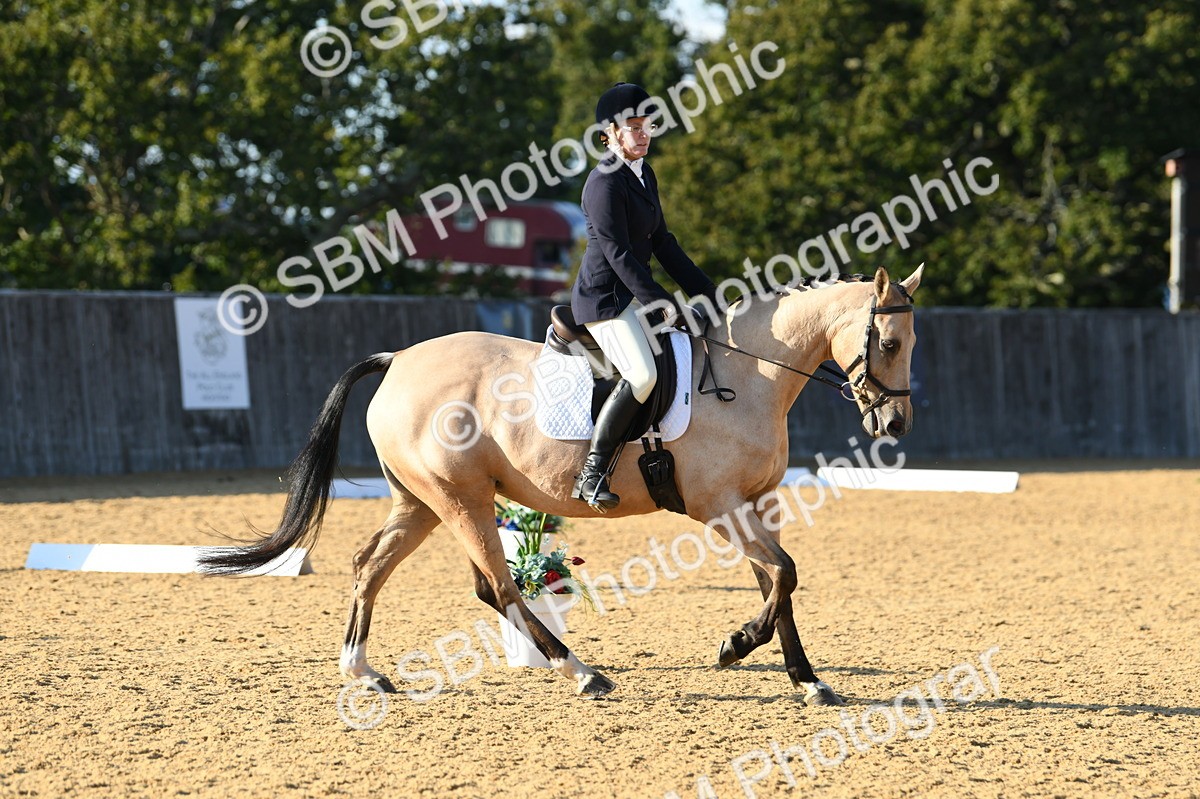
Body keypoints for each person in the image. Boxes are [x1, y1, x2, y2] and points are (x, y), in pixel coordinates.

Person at [570, 82, 718, 512]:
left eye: (647, 125)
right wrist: (659, 301)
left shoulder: (644, 175)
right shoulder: (604, 184)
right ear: (609, 134)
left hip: (634, 295)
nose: (643, 133)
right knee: (642, 376)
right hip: (605, 300)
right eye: (633, 127)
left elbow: (664, 243)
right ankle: (592, 474)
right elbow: (617, 253)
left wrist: (706, 291)